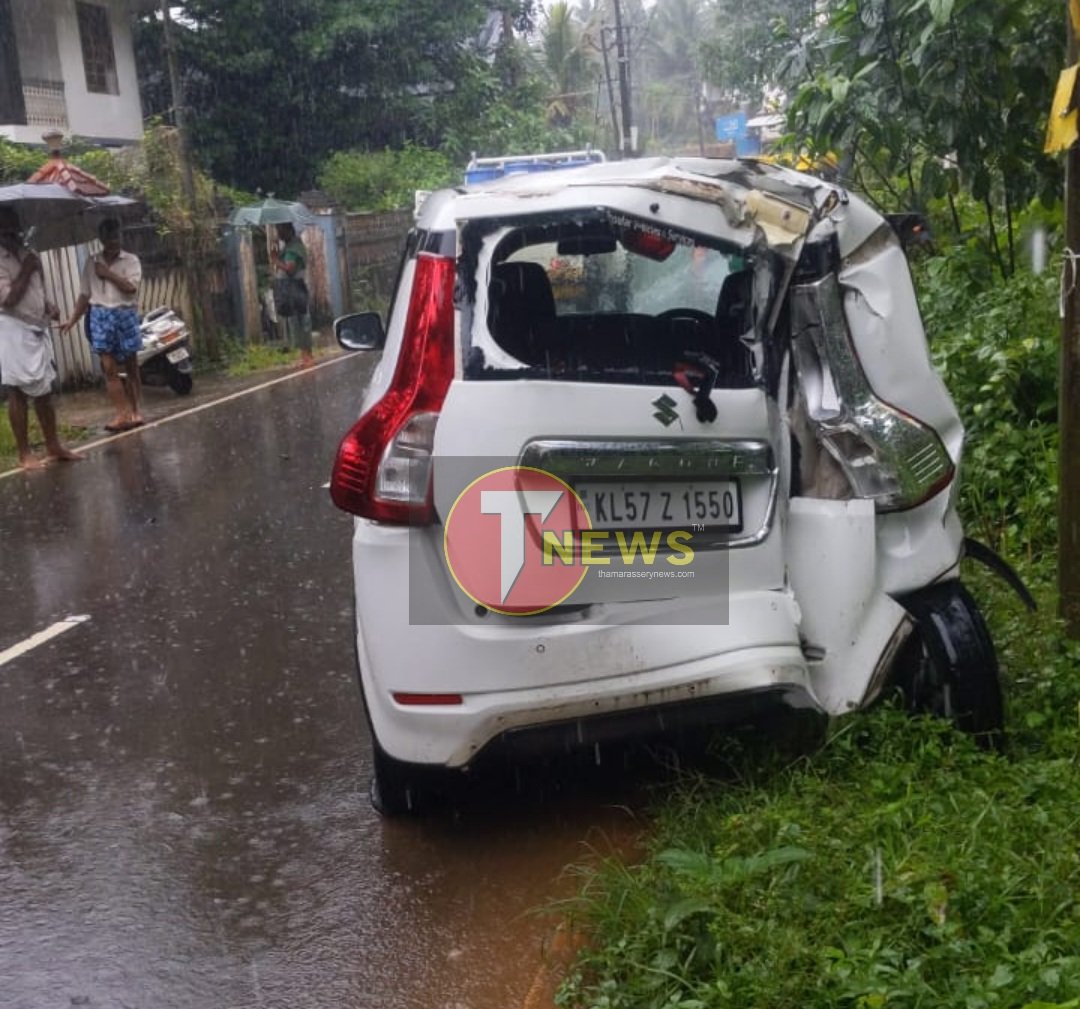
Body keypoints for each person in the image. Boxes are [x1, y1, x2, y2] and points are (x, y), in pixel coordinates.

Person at [0, 206, 82, 470]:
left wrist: (49, 305)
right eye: (9, 226)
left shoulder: (26, 253)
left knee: (45, 389)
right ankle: (25, 454)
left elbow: (35, 290)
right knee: (17, 390)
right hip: (13, 328)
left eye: (16, 225)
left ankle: (53, 445)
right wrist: (26, 268)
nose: (16, 231)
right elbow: (9, 300)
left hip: (38, 327)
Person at [60, 218, 144, 432]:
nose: (114, 240)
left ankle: (135, 411)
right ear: (102, 238)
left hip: (125, 314)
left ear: (121, 235)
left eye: (116, 235)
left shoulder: (131, 260)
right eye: (109, 236)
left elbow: (130, 288)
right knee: (108, 368)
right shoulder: (91, 262)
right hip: (99, 316)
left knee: (131, 366)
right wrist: (72, 320)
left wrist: (107, 273)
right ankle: (121, 414)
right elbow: (84, 295)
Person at [269, 222, 314, 368]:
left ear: (289, 230)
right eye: (277, 230)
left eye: (280, 230)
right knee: (295, 321)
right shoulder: (290, 247)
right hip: (293, 287)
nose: (279, 233)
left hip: (294, 287)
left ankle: (308, 356)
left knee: (300, 321)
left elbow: (290, 269)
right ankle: (304, 355)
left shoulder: (293, 249)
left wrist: (275, 259)